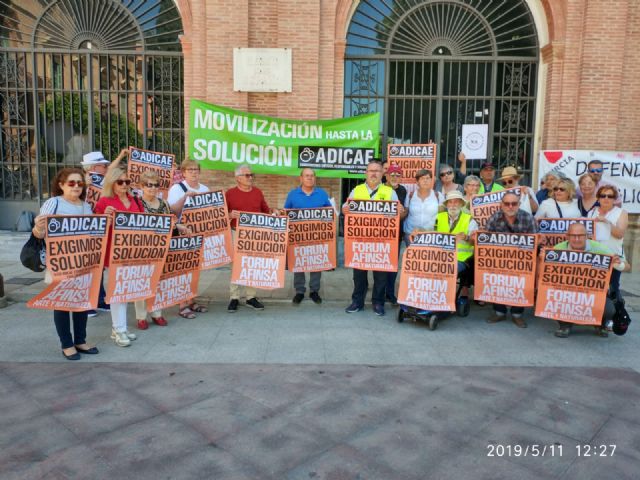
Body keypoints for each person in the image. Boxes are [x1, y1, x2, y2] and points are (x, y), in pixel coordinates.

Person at [32, 168, 99, 360]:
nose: (76, 186)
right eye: (71, 183)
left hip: (83, 263)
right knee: (62, 303)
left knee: (81, 303)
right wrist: (38, 226)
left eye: (79, 183)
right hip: (60, 263)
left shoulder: (86, 207)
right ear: (61, 185)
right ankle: (66, 344)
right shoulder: (53, 203)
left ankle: (80, 340)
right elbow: (39, 234)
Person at [342, 160, 401, 316]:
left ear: (382, 174)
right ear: (366, 173)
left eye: (377, 171)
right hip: (361, 242)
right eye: (371, 170)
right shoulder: (357, 190)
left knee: (381, 275)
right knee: (359, 275)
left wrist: (400, 211)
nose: (374, 173)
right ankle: (357, 302)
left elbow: (398, 214)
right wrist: (345, 208)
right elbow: (345, 207)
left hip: (382, 242)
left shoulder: (390, 192)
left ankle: (378, 302)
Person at [133, 171, 191, 328]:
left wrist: (179, 226)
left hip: (162, 249)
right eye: (148, 185)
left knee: (158, 281)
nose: (152, 188)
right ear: (141, 186)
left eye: (155, 185)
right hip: (143, 249)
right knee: (143, 282)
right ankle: (141, 316)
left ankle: (157, 313)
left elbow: (170, 223)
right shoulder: (136, 203)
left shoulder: (164, 203)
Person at [94, 168, 143, 347]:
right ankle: (118, 328)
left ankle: (120, 328)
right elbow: (96, 229)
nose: (124, 185)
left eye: (127, 182)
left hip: (133, 253)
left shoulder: (135, 200)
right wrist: (104, 216)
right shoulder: (104, 202)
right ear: (112, 183)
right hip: (114, 254)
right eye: (120, 182)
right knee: (117, 292)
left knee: (126, 290)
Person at [552, 223, 625, 338]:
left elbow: (627, 266)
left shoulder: (599, 248)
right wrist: (542, 260)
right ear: (567, 236)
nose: (577, 239)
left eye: (580, 235)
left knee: (610, 309)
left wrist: (618, 263)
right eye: (573, 235)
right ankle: (565, 325)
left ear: (587, 236)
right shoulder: (558, 249)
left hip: (594, 294)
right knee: (552, 299)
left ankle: (600, 324)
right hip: (568, 292)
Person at [226, 164, 279, 312]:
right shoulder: (229, 194)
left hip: (255, 235)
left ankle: (251, 297)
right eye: (247, 175)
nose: (250, 178)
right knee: (236, 266)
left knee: (252, 264)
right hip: (236, 232)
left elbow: (265, 211)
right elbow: (220, 215)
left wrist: (274, 212)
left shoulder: (257, 192)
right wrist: (229, 215)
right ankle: (234, 297)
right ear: (238, 178)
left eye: (251, 175)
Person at [81, 150, 127, 316]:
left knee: (98, 267)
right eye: (104, 165)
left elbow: (113, 173)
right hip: (86, 229)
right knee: (89, 268)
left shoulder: (100, 180)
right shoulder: (83, 181)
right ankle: (87, 303)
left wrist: (120, 157)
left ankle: (99, 299)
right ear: (94, 167)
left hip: (98, 228)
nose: (107, 167)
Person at [485, 191, 538, 327]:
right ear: (501, 205)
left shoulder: (528, 218)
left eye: (514, 204)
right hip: (498, 261)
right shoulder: (494, 218)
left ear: (519, 204)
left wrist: (538, 241)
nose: (510, 206)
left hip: (522, 261)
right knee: (496, 280)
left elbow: (535, 244)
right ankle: (499, 312)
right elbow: (484, 243)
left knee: (521, 282)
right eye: (507, 203)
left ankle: (517, 314)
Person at [167, 160, 210, 319]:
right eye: (190, 169)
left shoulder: (205, 189)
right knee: (182, 269)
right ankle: (182, 304)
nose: (193, 172)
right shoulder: (177, 188)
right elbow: (172, 211)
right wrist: (185, 197)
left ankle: (191, 299)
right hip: (182, 234)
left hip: (198, 234)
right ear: (183, 172)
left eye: (196, 169)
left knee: (194, 269)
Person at [283, 168, 332, 305]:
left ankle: (314, 291)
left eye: (312, 176)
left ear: (315, 178)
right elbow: (286, 212)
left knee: (316, 263)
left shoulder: (322, 194)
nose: (310, 178)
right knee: (299, 263)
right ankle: (299, 291)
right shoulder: (293, 194)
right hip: (298, 237)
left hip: (317, 237)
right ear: (301, 178)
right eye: (307, 176)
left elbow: (329, 213)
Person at [433, 191, 477, 308]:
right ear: (446, 205)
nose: (453, 205)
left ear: (461, 204)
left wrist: (467, 238)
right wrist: (419, 230)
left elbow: (475, 242)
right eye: (450, 202)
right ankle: (429, 297)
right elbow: (429, 232)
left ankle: (444, 300)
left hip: (460, 259)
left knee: (446, 270)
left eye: (456, 202)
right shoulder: (438, 217)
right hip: (439, 257)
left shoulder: (470, 220)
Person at [588, 185, 628, 298]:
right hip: (594, 257)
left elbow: (619, 234)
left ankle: (618, 313)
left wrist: (606, 221)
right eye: (602, 195)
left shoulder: (621, 213)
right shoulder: (591, 213)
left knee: (613, 288)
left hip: (613, 256)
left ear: (614, 199)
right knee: (595, 288)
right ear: (598, 198)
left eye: (610, 196)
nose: (606, 198)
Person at [383, 163, 408, 305]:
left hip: (396, 233)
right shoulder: (381, 189)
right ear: (386, 175)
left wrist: (402, 211)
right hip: (380, 234)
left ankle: (390, 293)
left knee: (393, 265)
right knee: (381, 265)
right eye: (392, 174)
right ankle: (379, 293)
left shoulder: (403, 190)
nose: (395, 177)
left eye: (398, 175)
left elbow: (405, 213)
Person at [402, 169, 442, 245]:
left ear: (431, 180)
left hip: (431, 235)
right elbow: (405, 212)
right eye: (422, 178)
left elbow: (442, 215)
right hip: (411, 234)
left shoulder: (438, 196)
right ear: (417, 182)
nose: (425, 181)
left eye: (427, 178)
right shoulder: (410, 195)